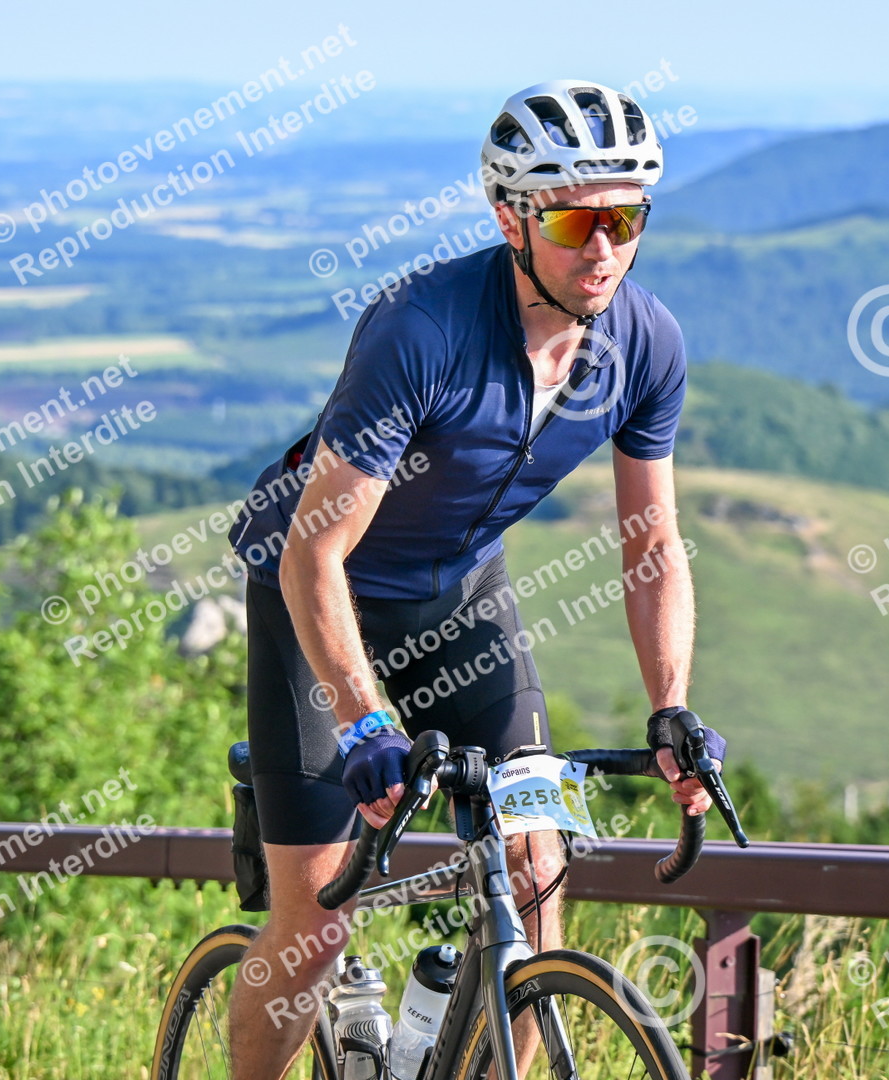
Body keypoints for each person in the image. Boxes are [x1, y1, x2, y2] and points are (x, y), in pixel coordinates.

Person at [224, 78, 728, 1079]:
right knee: (314, 924)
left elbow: (652, 547)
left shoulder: (644, 343)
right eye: (576, 221)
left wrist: (670, 707)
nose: (603, 249)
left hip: (459, 597)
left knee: (536, 880)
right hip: (317, 595)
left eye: (626, 219)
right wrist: (363, 722)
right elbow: (314, 553)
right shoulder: (422, 327)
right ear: (511, 219)